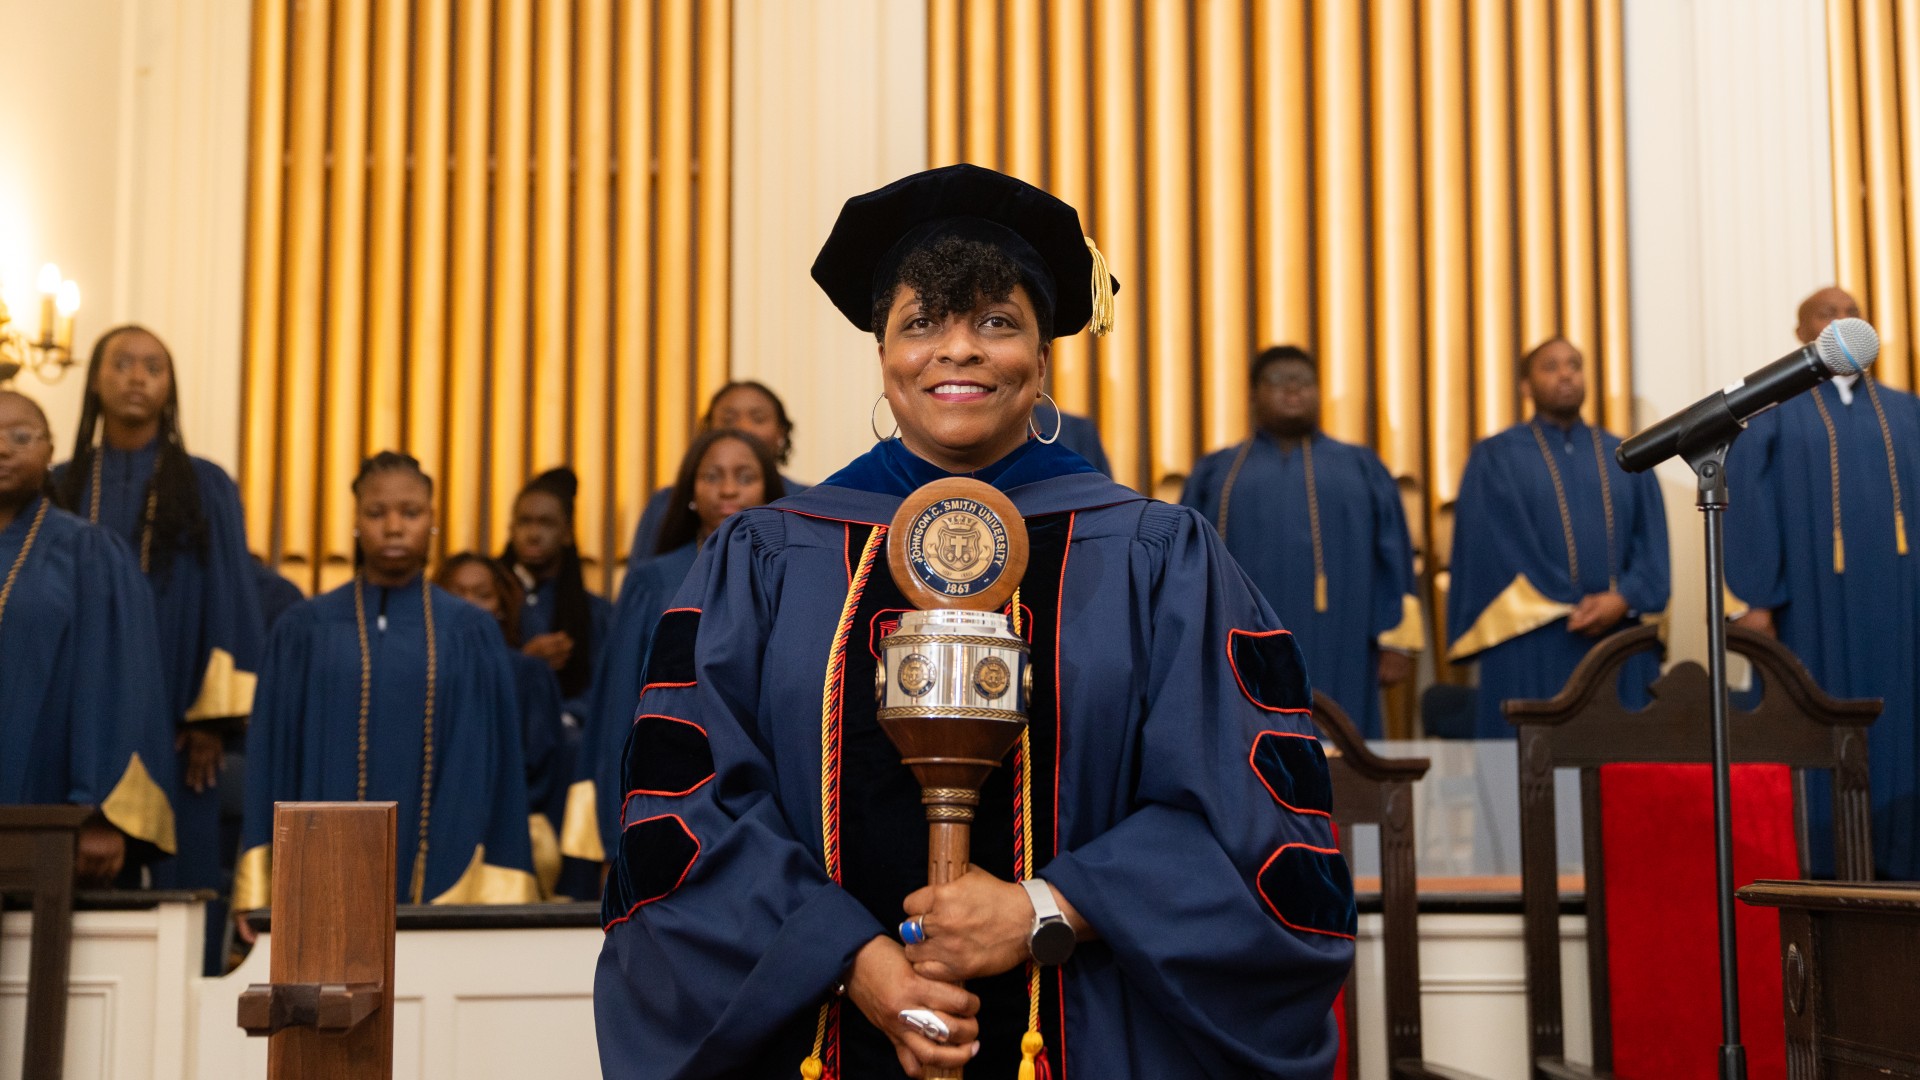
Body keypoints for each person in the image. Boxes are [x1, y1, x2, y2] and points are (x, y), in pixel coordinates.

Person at [593, 164, 1351, 1079]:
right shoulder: (767, 559)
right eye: (922, 323)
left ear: (1043, 356)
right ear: (883, 352)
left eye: (996, 322)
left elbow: (1254, 818)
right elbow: (685, 811)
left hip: (1086, 1037)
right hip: (824, 1041)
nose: (957, 350)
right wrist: (851, 959)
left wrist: (1046, 909)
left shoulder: (1157, 559)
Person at [236, 452, 538, 922]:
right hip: (320, 874)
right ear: (356, 522)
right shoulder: (304, 629)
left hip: (447, 871)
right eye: (376, 513)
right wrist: (259, 887)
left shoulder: (470, 632)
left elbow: (500, 770)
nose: (394, 527)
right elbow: (271, 758)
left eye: (410, 513)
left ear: (432, 520)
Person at [49, 326, 265, 968]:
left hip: (177, 723)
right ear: (95, 379)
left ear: (170, 387)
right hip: (72, 709)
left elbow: (230, 599)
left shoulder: (205, 484)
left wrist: (211, 721)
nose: (137, 377)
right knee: (66, 873)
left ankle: (182, 1002)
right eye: (122, 363)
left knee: (181, 879)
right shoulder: (61, 484)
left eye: (153, 366)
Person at [1727, 285, 1920, 878]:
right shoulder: (1772, 413)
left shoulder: (1908, 411)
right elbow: (1750, 505)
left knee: (1903, 723)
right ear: (1801, 334)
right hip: (1809, 609)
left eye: (1851, 312)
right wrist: (1759, 599)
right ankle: (1821, 876)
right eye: (1825, 313)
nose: (1840, 320)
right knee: (1817, 727)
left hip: (1902, 606)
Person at [562, 428, 786, 865]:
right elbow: (621, 705)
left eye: (745, 477)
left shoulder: (790, 574)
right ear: (689, 492)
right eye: (712, 476)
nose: (727, 490)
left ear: (769, 489)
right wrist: (616, 820)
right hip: (667, 789)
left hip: (763, 787)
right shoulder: (653, 582)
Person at [1182, 345, 1424, 737]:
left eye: (1304, 381)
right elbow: (1186, 561)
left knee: (1341, 741)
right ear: (1253, 395)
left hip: (1343, 635)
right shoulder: (1218, 473)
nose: (1293, 388)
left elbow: (1394, 558)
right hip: (1241, 636)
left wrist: (1397, 642)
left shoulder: (1362, 466)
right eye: (1279, 380)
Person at [1446, 338, 1670, 737]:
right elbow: (1493, 547)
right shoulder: (1495, 457)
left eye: (1574, 365)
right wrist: (1569, 600)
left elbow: (1651, 544)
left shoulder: (1626, 455)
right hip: (1531, 641)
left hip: (1619, 636)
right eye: (1550, 367)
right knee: (1532, 762)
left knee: (1621, 762)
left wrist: (1623, 597)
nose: (1565, 374)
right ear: (1525, 386)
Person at [0, 390, 177, 884]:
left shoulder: (88, 553)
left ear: (50, 450)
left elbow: (115, 689)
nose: (3, 449)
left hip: (47, 814)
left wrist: (99, 812)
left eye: (20, 436)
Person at [438, 552, 569, 896]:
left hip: (507, 831)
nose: (469, 604)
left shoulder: (528, 674)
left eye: (483, 595)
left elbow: (544, 765)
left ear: (501, 605)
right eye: (456, 593)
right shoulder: (421, 674)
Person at [624, 381, 811, 578]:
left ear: (781, 431)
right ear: (709, 428)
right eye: (728, 419)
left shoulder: (805, 503)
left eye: (758, 419)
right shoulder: (665, 502)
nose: (744, 427)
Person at [500, 467, 613, 720]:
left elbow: (609, 687)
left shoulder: (597, 613)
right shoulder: (488, 600)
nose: (533, 534)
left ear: (567, 533)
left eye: (546, 523)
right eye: (524, 521)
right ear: (511, 528)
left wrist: (567, 719)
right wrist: (524, 662)